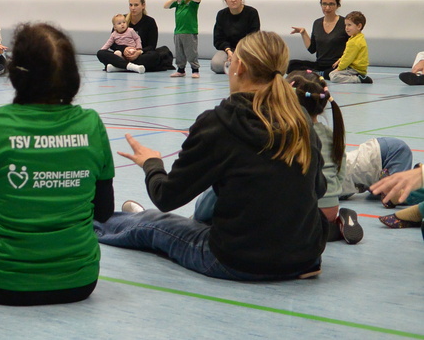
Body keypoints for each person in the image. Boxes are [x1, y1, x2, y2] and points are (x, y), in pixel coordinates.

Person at [97, 31, 327, 280]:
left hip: (237, 260)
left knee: (154, 223)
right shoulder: (300, 118)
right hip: (305, 256)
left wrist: (152, 164)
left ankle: (89, 222)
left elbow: (166, 196)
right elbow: (319, 187)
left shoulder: (220, 122)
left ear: (240, 67)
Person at [0, 22, 114, 305]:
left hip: (0, 283)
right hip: (79, 282)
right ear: (72, 74)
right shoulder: (92, 124)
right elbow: (104, 212)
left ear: (15, 72)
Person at [286, 71, 362, 243]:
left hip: (307, 211)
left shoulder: (291, 134)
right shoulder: (331, 134)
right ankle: (334, 224)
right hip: (331, 206)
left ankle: (325, 229)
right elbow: (340, 173)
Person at [97, 0, 172, 72]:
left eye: (136, 5)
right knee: (101, 53)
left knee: (154, 56)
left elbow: (151, 46)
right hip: (122, 54)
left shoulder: (150, 22)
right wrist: (124, 49)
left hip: (140, 55)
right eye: (131, 5)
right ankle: (131, 66)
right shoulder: (122, 20)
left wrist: (138, 52)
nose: (133, 8)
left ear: (143, 5)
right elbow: (113, 43)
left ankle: (119, 66)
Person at [288, 0, 348, 77]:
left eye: (331, 4)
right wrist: (303, 33)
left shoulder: (345, 23)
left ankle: (317, 74)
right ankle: (318, 73)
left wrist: (344, 60)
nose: (327, 8)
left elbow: (353, 47)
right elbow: (312, 49)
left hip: (336, 65)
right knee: (291, 65)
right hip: (319, 65)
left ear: (337, 5)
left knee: (333, 72)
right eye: (324, 4)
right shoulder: (317, 23)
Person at [211, 0, 260, 74]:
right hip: (228, 50)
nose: (233, 0)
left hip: (246, 49)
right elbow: (218, 39)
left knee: (256, 64)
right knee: (216, 64)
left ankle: (237, 66)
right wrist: (228, 51)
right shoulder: (221, 14)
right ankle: (236, 66)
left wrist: (238, 53)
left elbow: (253, 36)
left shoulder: (252, 13)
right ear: (226, 0)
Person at [164, 0, 202, 78]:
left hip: (189, 31)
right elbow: (165, 6)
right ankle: (181, 70)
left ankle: (195, 69)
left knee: (191, 52)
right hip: (178, 31)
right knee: (179, 52)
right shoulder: (179, 1)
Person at [329, 11, 371, 84]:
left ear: (359, 26)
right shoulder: (358, 38)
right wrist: (340, 60)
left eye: (349, 25)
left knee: (333, 75)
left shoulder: (354, 42)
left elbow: (348, 58)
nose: (346, 28)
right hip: (356, 69)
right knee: (332, 73)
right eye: (345, 25)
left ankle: (358, 79)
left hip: (355, 69)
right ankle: (358, 76)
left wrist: (339, 68)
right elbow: (347, 54)